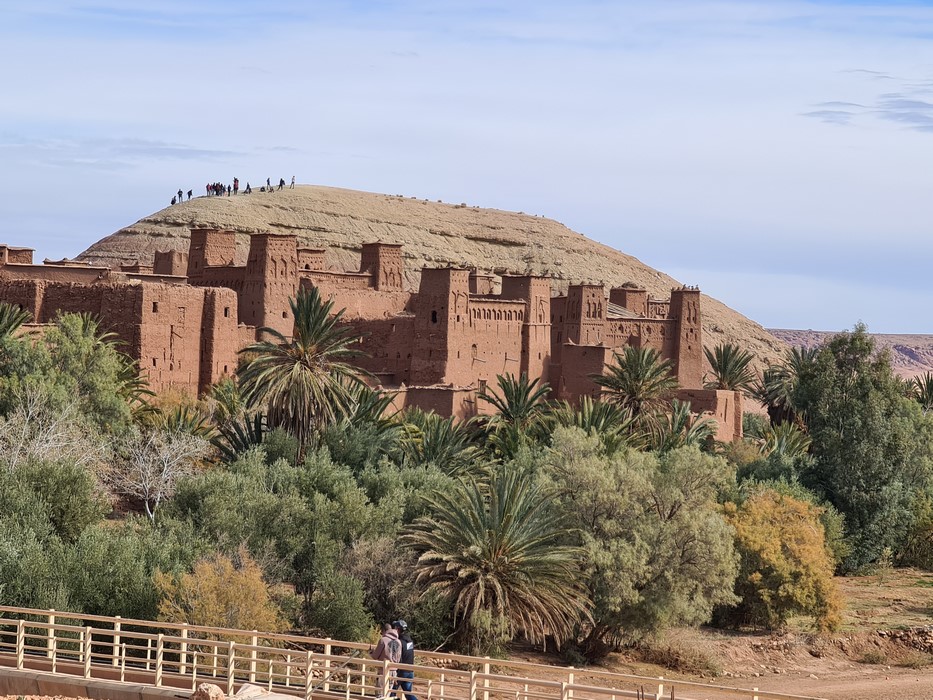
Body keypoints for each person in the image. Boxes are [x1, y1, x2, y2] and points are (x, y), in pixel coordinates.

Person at [369, 622, 400, 697]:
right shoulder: (399, 642)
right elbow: (398, 658)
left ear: (383, 631)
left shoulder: (383, 640)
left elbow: (375, 656)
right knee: (387, 694)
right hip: (393, 671)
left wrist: (371, 652)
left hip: (383, 670)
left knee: (380, 694)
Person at [392, 620, 418, 700]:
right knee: (408, 694)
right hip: (410, 670)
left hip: (402, 671)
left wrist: (396, 674)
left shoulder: (399, 642)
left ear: (397, 629)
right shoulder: (409, 641)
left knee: (391, 692)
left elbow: (399, 658)